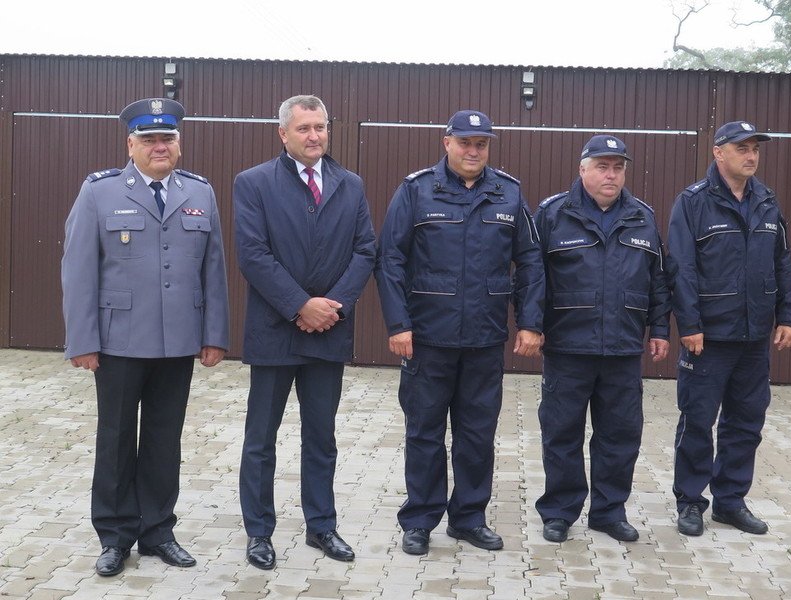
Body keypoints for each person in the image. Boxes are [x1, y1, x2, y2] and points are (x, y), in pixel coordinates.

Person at [61, 98, 230, 576]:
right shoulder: (99, 192)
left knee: (163, 438)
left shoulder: (200, 192)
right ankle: (115, 536)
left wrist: (213, 334)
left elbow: (212, 269)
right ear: (130, 144)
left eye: (168, 138)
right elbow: (78, 271)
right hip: (117, 341)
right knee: (115, 438)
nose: (160, 146)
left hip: (177, 342)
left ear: (179, 143)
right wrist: (83, 341)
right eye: (150, 139)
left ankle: (158, 531)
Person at [375, 109, 544, 555]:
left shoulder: (508, 193)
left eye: (481, 143)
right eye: (465, 142)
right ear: (446, 141)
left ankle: (468, 518)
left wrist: (529, 321)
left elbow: (529, 261)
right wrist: (398, 324)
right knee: (425, 432)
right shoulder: (415, 190)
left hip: (485, 339)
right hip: (428, 338)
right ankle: (420, 520)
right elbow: (390, 258)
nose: (473, 151)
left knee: (477, 434)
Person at [234, 95, 375, 567]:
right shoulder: (253, 183)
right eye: (304, 128)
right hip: (275, 332)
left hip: (328, 332)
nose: (314, 136)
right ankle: (259, 532)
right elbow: (253, 255)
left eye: (321, 126)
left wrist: (330, 307)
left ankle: (322, 527)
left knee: (322, 437)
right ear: (283, 134)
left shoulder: (350, 185)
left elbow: (364, 250)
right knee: (261, 440)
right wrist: (300, 305)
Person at [533, 135, 670, 544]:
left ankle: (609, 511)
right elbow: (531, 277)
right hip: (567, 347)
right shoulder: (553, 214)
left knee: (620, 434)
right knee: (561, 433)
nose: (610, 175)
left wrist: (660, 330)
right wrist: (531, 325)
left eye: (618, 168)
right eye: (602, 167)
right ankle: (559, 511)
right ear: (583, 169)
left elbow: (658, 281)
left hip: (624, 348)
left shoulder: (642, 216)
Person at [668, 120, 791, 537]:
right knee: (697, 420)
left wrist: (789, 316)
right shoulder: (693, 202)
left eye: (755, 148)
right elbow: (681, 268)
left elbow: (783, 263)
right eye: (741, 147)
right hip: (708, 338)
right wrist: (688, 323)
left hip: (755, 336)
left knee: (746, 421)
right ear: (718, 152)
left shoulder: (767, 202)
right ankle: (690, 501)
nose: (751, 155)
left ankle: (730, 501)